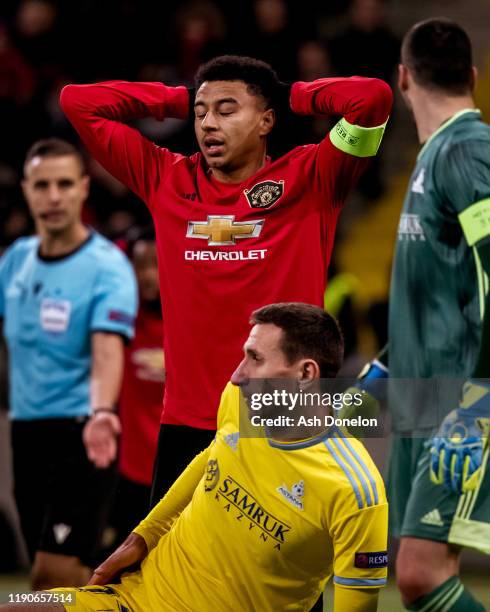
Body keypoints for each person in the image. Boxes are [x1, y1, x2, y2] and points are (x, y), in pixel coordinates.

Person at [59, 55, 393, 508]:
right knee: (169, 576)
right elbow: (78, 102)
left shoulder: (313, 177)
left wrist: (289, 92)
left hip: (278, 418)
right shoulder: (165, 178)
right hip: (187, 422)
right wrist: (179, 98)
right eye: (201, 114)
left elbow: (372, 98)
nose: (208, 124)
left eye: (227, 110)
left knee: (280, 574)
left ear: (266, 120)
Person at [1, 302, 388, 612]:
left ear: (306, 374)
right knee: (17, 604)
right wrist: (143, 535)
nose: (236, 375)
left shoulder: (356, 493)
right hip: (131, 600)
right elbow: (213, 456)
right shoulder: (240, 401)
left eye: (255, 359)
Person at [0, 138, 138, 589]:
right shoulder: (14, 261)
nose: (53, 196)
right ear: (26, 190)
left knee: (46, 579)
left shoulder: (106, 266)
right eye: (42, 185)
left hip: (82, 434)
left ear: (83, 189)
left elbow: (106, 350)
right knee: (74, 581)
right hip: (25, 434)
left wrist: (101, 413)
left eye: (64, 184)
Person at [387, 19, 490, 611]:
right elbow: (441, 289)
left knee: (421, 574)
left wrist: (475, 409)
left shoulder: (468, 150)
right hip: (422, 398)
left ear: (402, 78)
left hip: (464, 405)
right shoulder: (438, 155)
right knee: (412, 568)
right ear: (471, 76)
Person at [113, 226, 165, 544]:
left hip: (179, 466)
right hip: (128, 470)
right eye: (140, 265)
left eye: (156, 264)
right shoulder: (121, 320)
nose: (147, 275)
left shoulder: (191, 322)